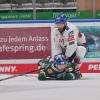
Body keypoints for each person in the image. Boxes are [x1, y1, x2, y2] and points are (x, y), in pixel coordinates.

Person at [54, 13, 87, 79]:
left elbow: (72, 45)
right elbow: (57, 44)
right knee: (61, 58)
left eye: (60, 24)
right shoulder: (56, 30)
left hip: (78, 45)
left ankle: (76, 70)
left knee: (80, 50)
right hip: (66, 47)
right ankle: (64, 70)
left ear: (65, 23)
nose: (58, 26)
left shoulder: (71, 29)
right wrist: (59, 55)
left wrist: (66, 56)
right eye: (57, 24)